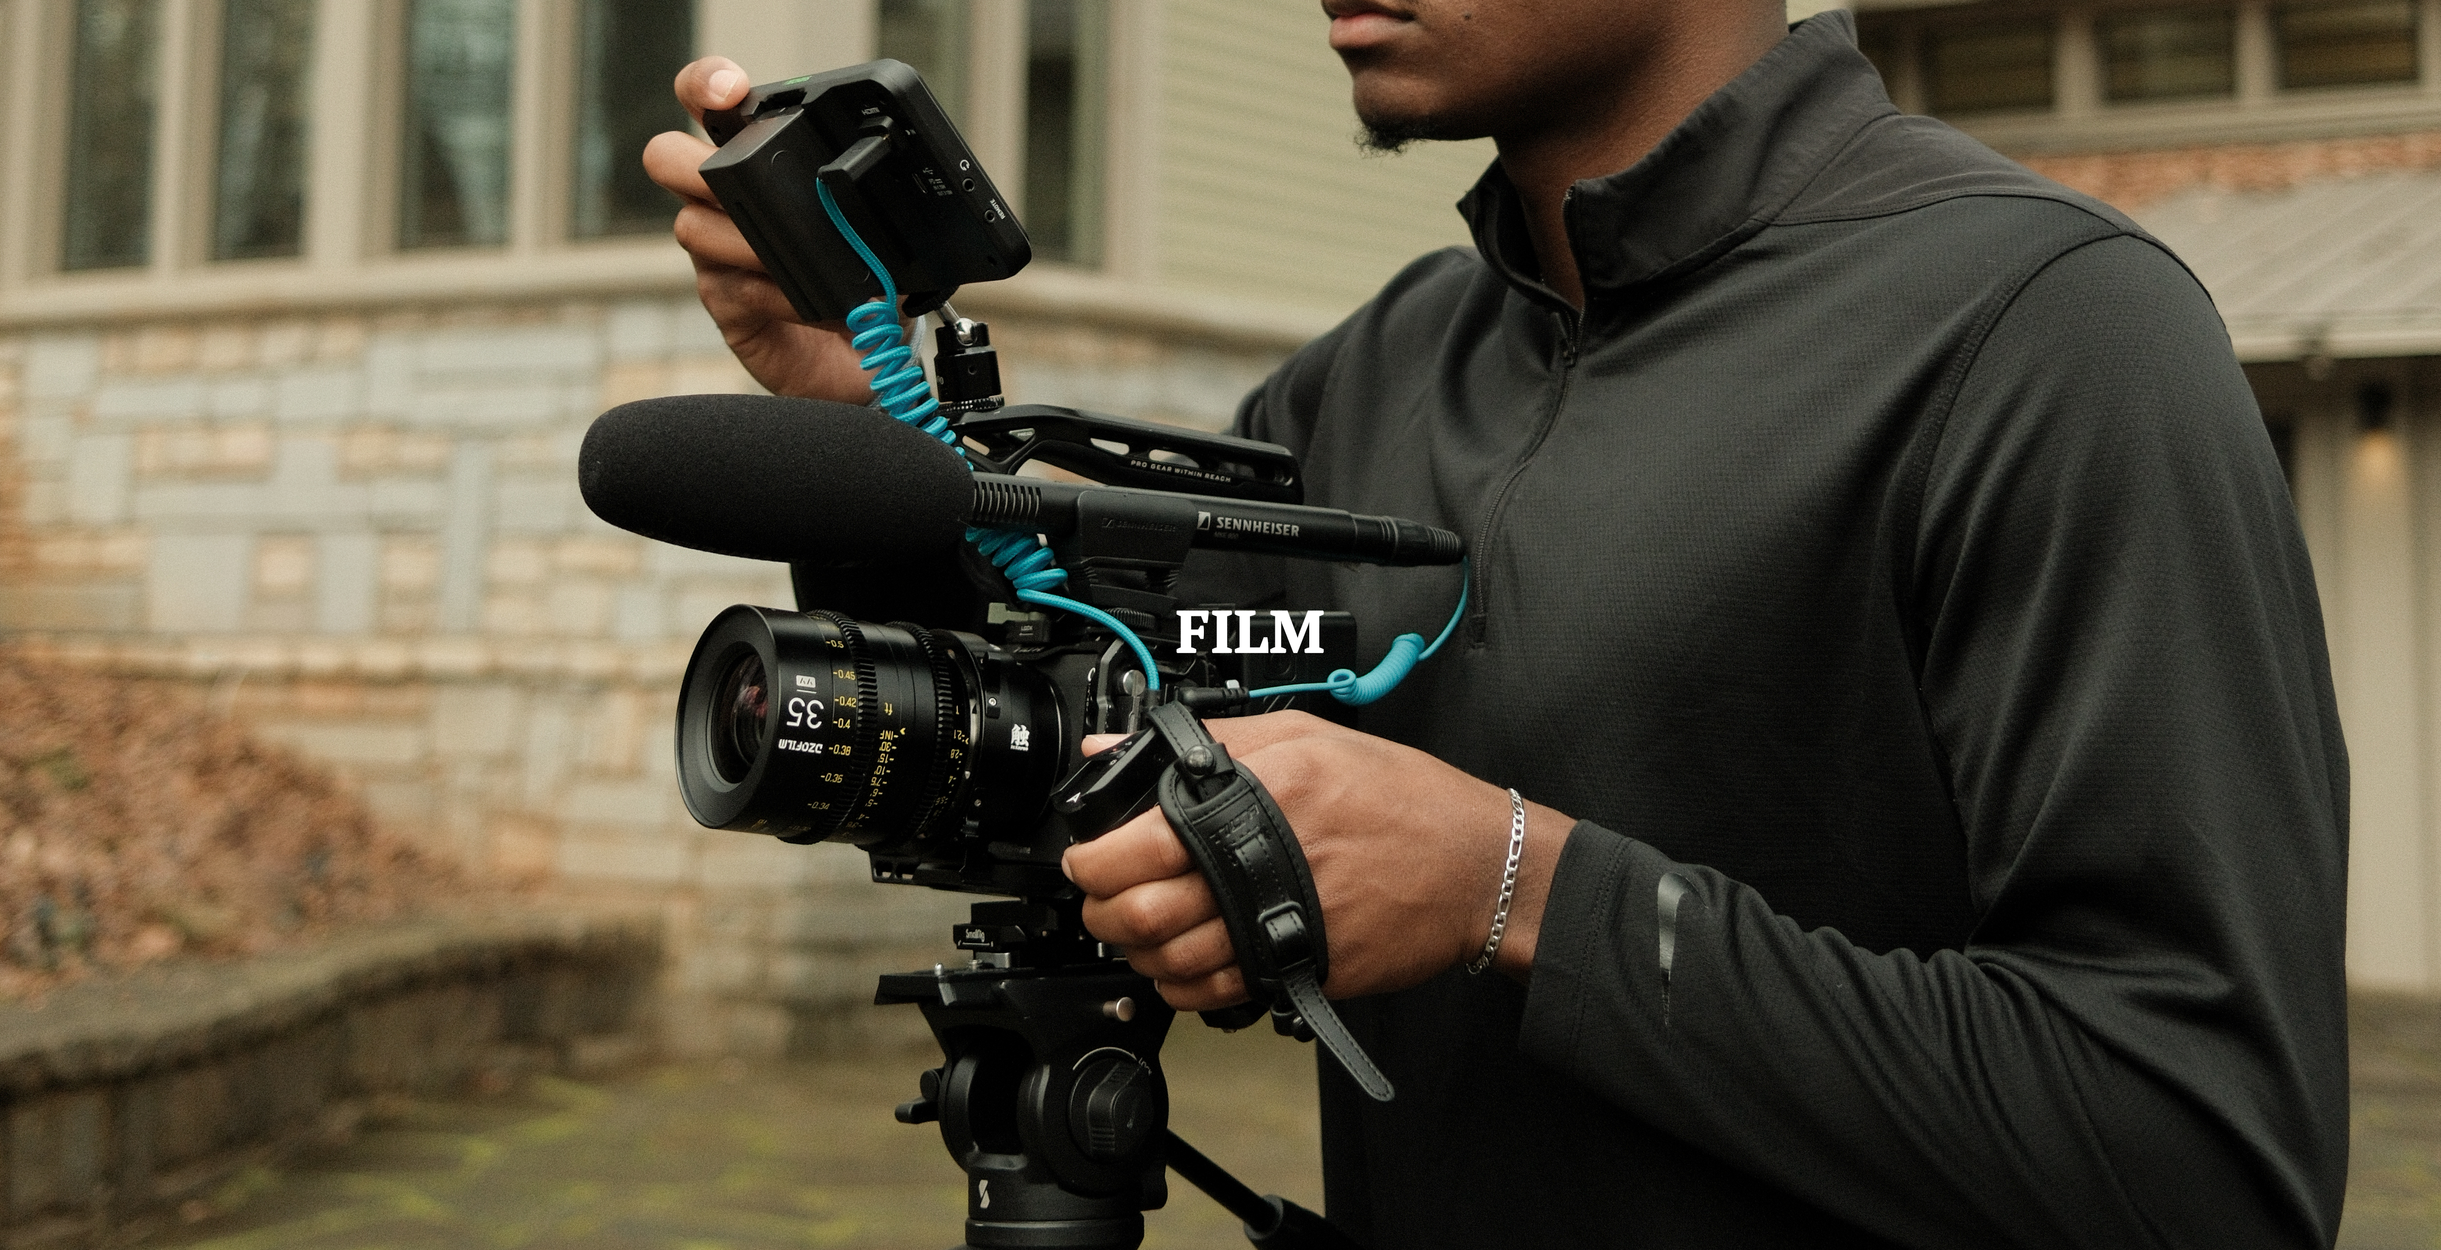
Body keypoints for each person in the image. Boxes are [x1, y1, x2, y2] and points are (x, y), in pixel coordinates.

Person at [644, 3, 2349, 1246]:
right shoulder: (1362, 384)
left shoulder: (2052, 337)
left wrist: (1521, 888)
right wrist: (854, 416)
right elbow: (1097, 733)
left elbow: (2201, 1158)